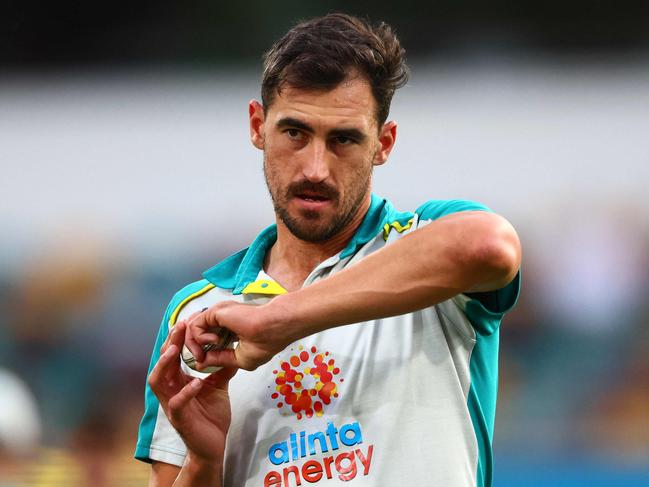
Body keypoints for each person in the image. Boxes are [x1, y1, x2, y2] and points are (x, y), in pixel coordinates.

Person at [135, 13, 521, 487]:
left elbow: (488, 245)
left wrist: (278, 320)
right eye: (295, 133)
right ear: (258, 126)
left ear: (384, 142)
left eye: (343, 139)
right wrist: (204, 463)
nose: (315, 168)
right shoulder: (199, 312)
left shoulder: (422, 243)